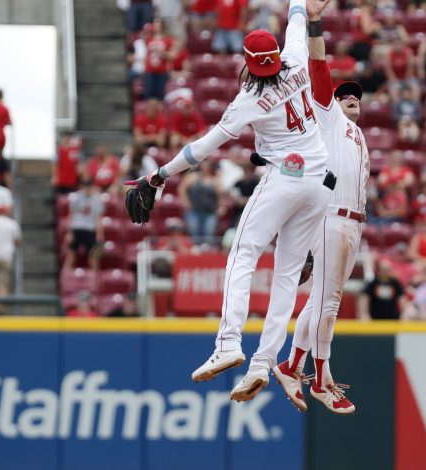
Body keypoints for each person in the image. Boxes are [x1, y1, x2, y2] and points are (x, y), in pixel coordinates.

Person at [136, 0, 334, 403]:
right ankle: (262, 363)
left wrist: (160, 175)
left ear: (247, 61)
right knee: (286, 275)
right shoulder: (294, 60)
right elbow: (298, 18)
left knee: (243, 253)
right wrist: (303, 5)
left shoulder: (248, 97)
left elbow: (202, 149)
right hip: (320, 181)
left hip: (286, 176)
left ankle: (228, 343)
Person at [273, 14, 368, 415]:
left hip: (352, 223)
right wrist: (314, 23)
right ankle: (323, 379)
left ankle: (291, 365)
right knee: (329, 304)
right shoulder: (328, 118)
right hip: (333, 218)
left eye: (356, 97)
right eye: (345, 95)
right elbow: (318, 67)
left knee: (318, 302)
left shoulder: (357, 135)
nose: (351, 98)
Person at [62, 179, 104, 272]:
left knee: (93, 257)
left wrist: (99, 234)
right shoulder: (76, 197)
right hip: (77, 228)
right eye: (85, 186)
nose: (87, 189)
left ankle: (95, 280)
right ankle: (65, 278)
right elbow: (71, 215)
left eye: (89, 186)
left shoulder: (96, 199)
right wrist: (69, 232)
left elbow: (98, 218)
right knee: (70, 256)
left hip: (90, 229)